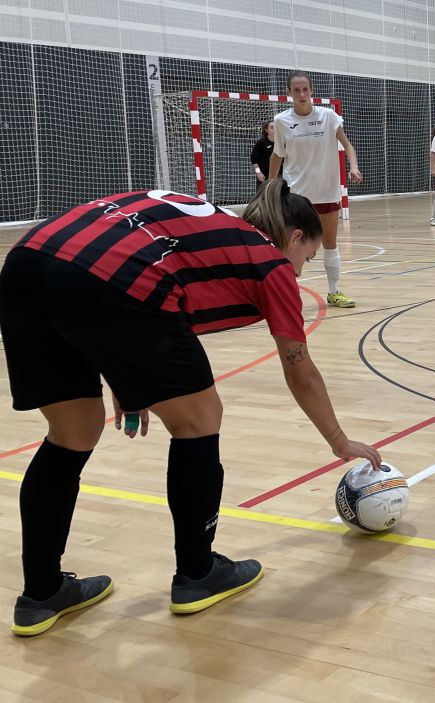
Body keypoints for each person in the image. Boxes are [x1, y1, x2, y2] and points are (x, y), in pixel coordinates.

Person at [2, 182, 382, 637]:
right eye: (307, 259)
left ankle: (41, 593)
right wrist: (340, 442)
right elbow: (300, 369)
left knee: (72, 433)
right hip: (111, 281)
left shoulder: (213, 233)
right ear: (295, 237)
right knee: (200, 419)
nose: (299, 273)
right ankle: (199, 574)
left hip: (26, 264)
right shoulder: (268, 259)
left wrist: (130, 380)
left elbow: (133, 298)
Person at [270, 71, 363, 308]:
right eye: (296, 90)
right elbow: (278, 155)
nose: (302, 94)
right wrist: (270, 189)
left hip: (327, 192)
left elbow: (348, 146)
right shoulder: (281, 121)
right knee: (290, 245)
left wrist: (353, 166)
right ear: (288, 93)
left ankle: (334, 292)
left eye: (305, 89)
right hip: (297, 196)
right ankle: (288, 294)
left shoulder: (328, 116)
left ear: (312, 91)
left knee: (329, 242)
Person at [249, 120, 278, 191]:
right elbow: (254, 160)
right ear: (266, 130)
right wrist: (258, 173)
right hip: (264, 176)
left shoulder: (281, 143)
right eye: (271, 127)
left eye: (276, 127)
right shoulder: (261, 143)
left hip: (278, 176)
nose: (274, 129)